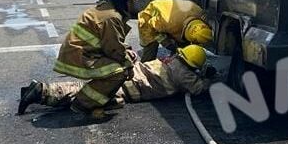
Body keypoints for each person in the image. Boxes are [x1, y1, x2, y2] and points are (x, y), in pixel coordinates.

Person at [30, 0, 145, 119]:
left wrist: (126, 50)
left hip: (80, 54)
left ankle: (95, 99)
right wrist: (129, 64)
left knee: (118, 67)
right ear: (125, 0)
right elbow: (114, 49)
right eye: (134, 0)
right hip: (80, 58)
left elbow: (108, 41)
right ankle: (83, 104)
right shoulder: (112, 17)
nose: (137, 4)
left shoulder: (106, 9)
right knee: (120, 72)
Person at [18, 45, 217, 115]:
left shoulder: (172, 59)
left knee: (84, 88)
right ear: (193, 65)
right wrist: (211, 80)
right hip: (129, 87)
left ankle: (42, 88)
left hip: (128, 75)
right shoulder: (184, 74)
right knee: (85, 95)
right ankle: (41, 92)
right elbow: (198, 88)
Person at [137, 0, 214, 62]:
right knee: (151, 47)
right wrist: (167, 43)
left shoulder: (199, 12)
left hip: (170, 14)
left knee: (184, 48)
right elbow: (154, 30)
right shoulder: (167, 23)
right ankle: (144, 70)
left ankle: (178, 61)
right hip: (150, 18)